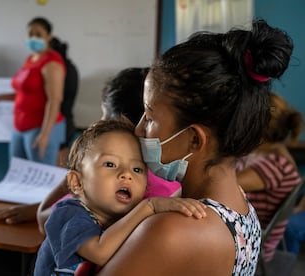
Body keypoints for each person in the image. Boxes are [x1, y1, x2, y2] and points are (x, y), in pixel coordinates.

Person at [98, 19, 293, 275]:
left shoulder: (171, 231)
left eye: (150, 117)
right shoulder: (240, 205)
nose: (138, 129)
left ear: (194, 139)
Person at [0, 67, 168, 226]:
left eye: (103, 117)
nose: (98, 123)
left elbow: (44, 217)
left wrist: (73, 178)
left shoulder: (115, 187)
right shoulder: (159, 177)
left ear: (121, 123)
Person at [34, 119, 206, 275]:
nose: (126, 174)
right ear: (77, 182)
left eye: (137, 169)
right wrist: (150, 206)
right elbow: (99, 253)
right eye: (110, 164)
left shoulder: (124, 220)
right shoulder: (68, 214)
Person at [0, 17, 66, 166]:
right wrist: (0, 98)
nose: (33, 38)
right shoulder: (30, 59)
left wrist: (45, 134)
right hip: (20, 126)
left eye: (38, 34)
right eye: (30, 34)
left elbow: (55, 99)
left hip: (40, 127)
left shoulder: (52, 62)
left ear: (49, 36)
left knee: (40, 177)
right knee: (18, 173)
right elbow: (25, 93)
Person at [236, 92, 303, 262]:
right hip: (245, 233)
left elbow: (219, 186)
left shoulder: (275, 166)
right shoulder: (270, 154)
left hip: (250, 244)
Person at [49, 37, 79, 157]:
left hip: (58, 124)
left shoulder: (59, 70)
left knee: (57, 165)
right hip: (65, 123)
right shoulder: (70, 66)